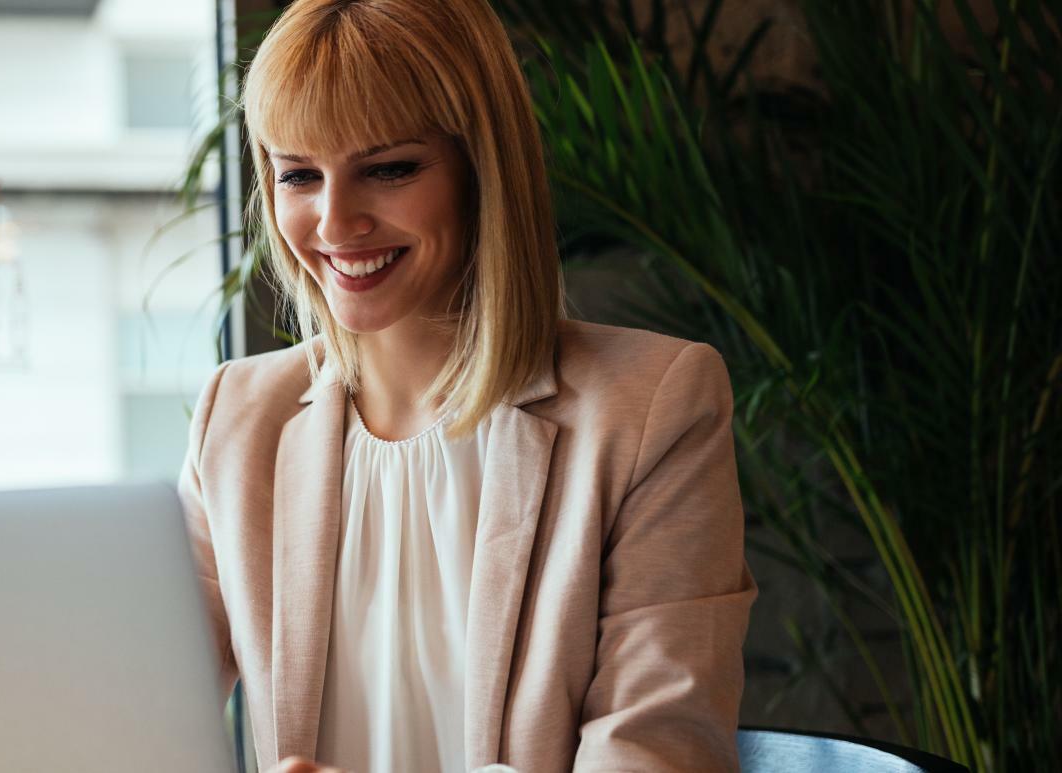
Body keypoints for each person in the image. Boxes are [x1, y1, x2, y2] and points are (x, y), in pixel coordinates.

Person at [177, 1, 756, 771]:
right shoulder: (237, 419)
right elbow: (127, 709)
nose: (335, 221)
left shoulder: (653, 409)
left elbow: (654, 754)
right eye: (299, 175)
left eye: (389, 168)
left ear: (481, 169)